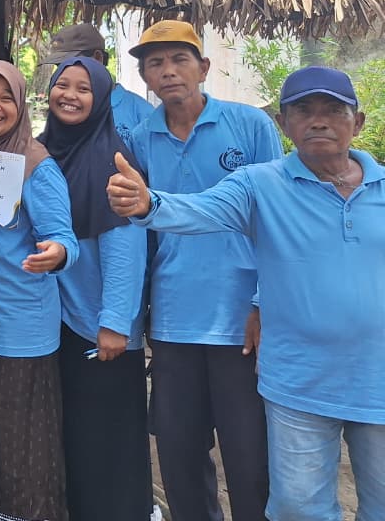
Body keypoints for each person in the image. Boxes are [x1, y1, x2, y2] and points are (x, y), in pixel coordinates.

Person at [109, 65, 385, 521]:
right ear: (283, 124)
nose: (318, 121)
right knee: (299, 507)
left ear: (357, 123)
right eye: (304, 111)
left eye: (333, 111)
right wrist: (149, 204)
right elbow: (200, 208)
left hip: (377, 380)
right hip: (298, 383)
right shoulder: (259, 184)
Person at [126, 21, 278, 521]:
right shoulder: (139, 138)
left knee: (249, 455)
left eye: (179, 59)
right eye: (155, 62)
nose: (167, 71)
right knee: (179, 453)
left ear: (203, 67)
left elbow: (276, 219)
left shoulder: (250, 126)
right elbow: (138, 233)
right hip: (172, 321)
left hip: (241, 321)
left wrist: (263, 302)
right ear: (144, 75)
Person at [0, 60, 78, 521]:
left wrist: (57, 253)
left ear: (21, 107)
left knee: (21, 451)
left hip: (19, 331)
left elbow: (65, 236)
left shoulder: (35, 165)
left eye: (7, 98)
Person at [39, 57, 152, 521]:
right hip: (54, 323)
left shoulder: (113, 158)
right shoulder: (40, 151)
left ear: (102, 98)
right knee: (72, 439)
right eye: (62, 84)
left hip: (100, 331)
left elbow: (128, 251)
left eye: (84, 88)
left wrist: (114, 324)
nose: (70, 95)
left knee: (108, 444)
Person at [46, 23, 153, 144]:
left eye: (71, 63)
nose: (63, 71)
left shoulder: (142, 113)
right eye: (59, 66)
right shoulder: (64, 107)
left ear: (98, 58)